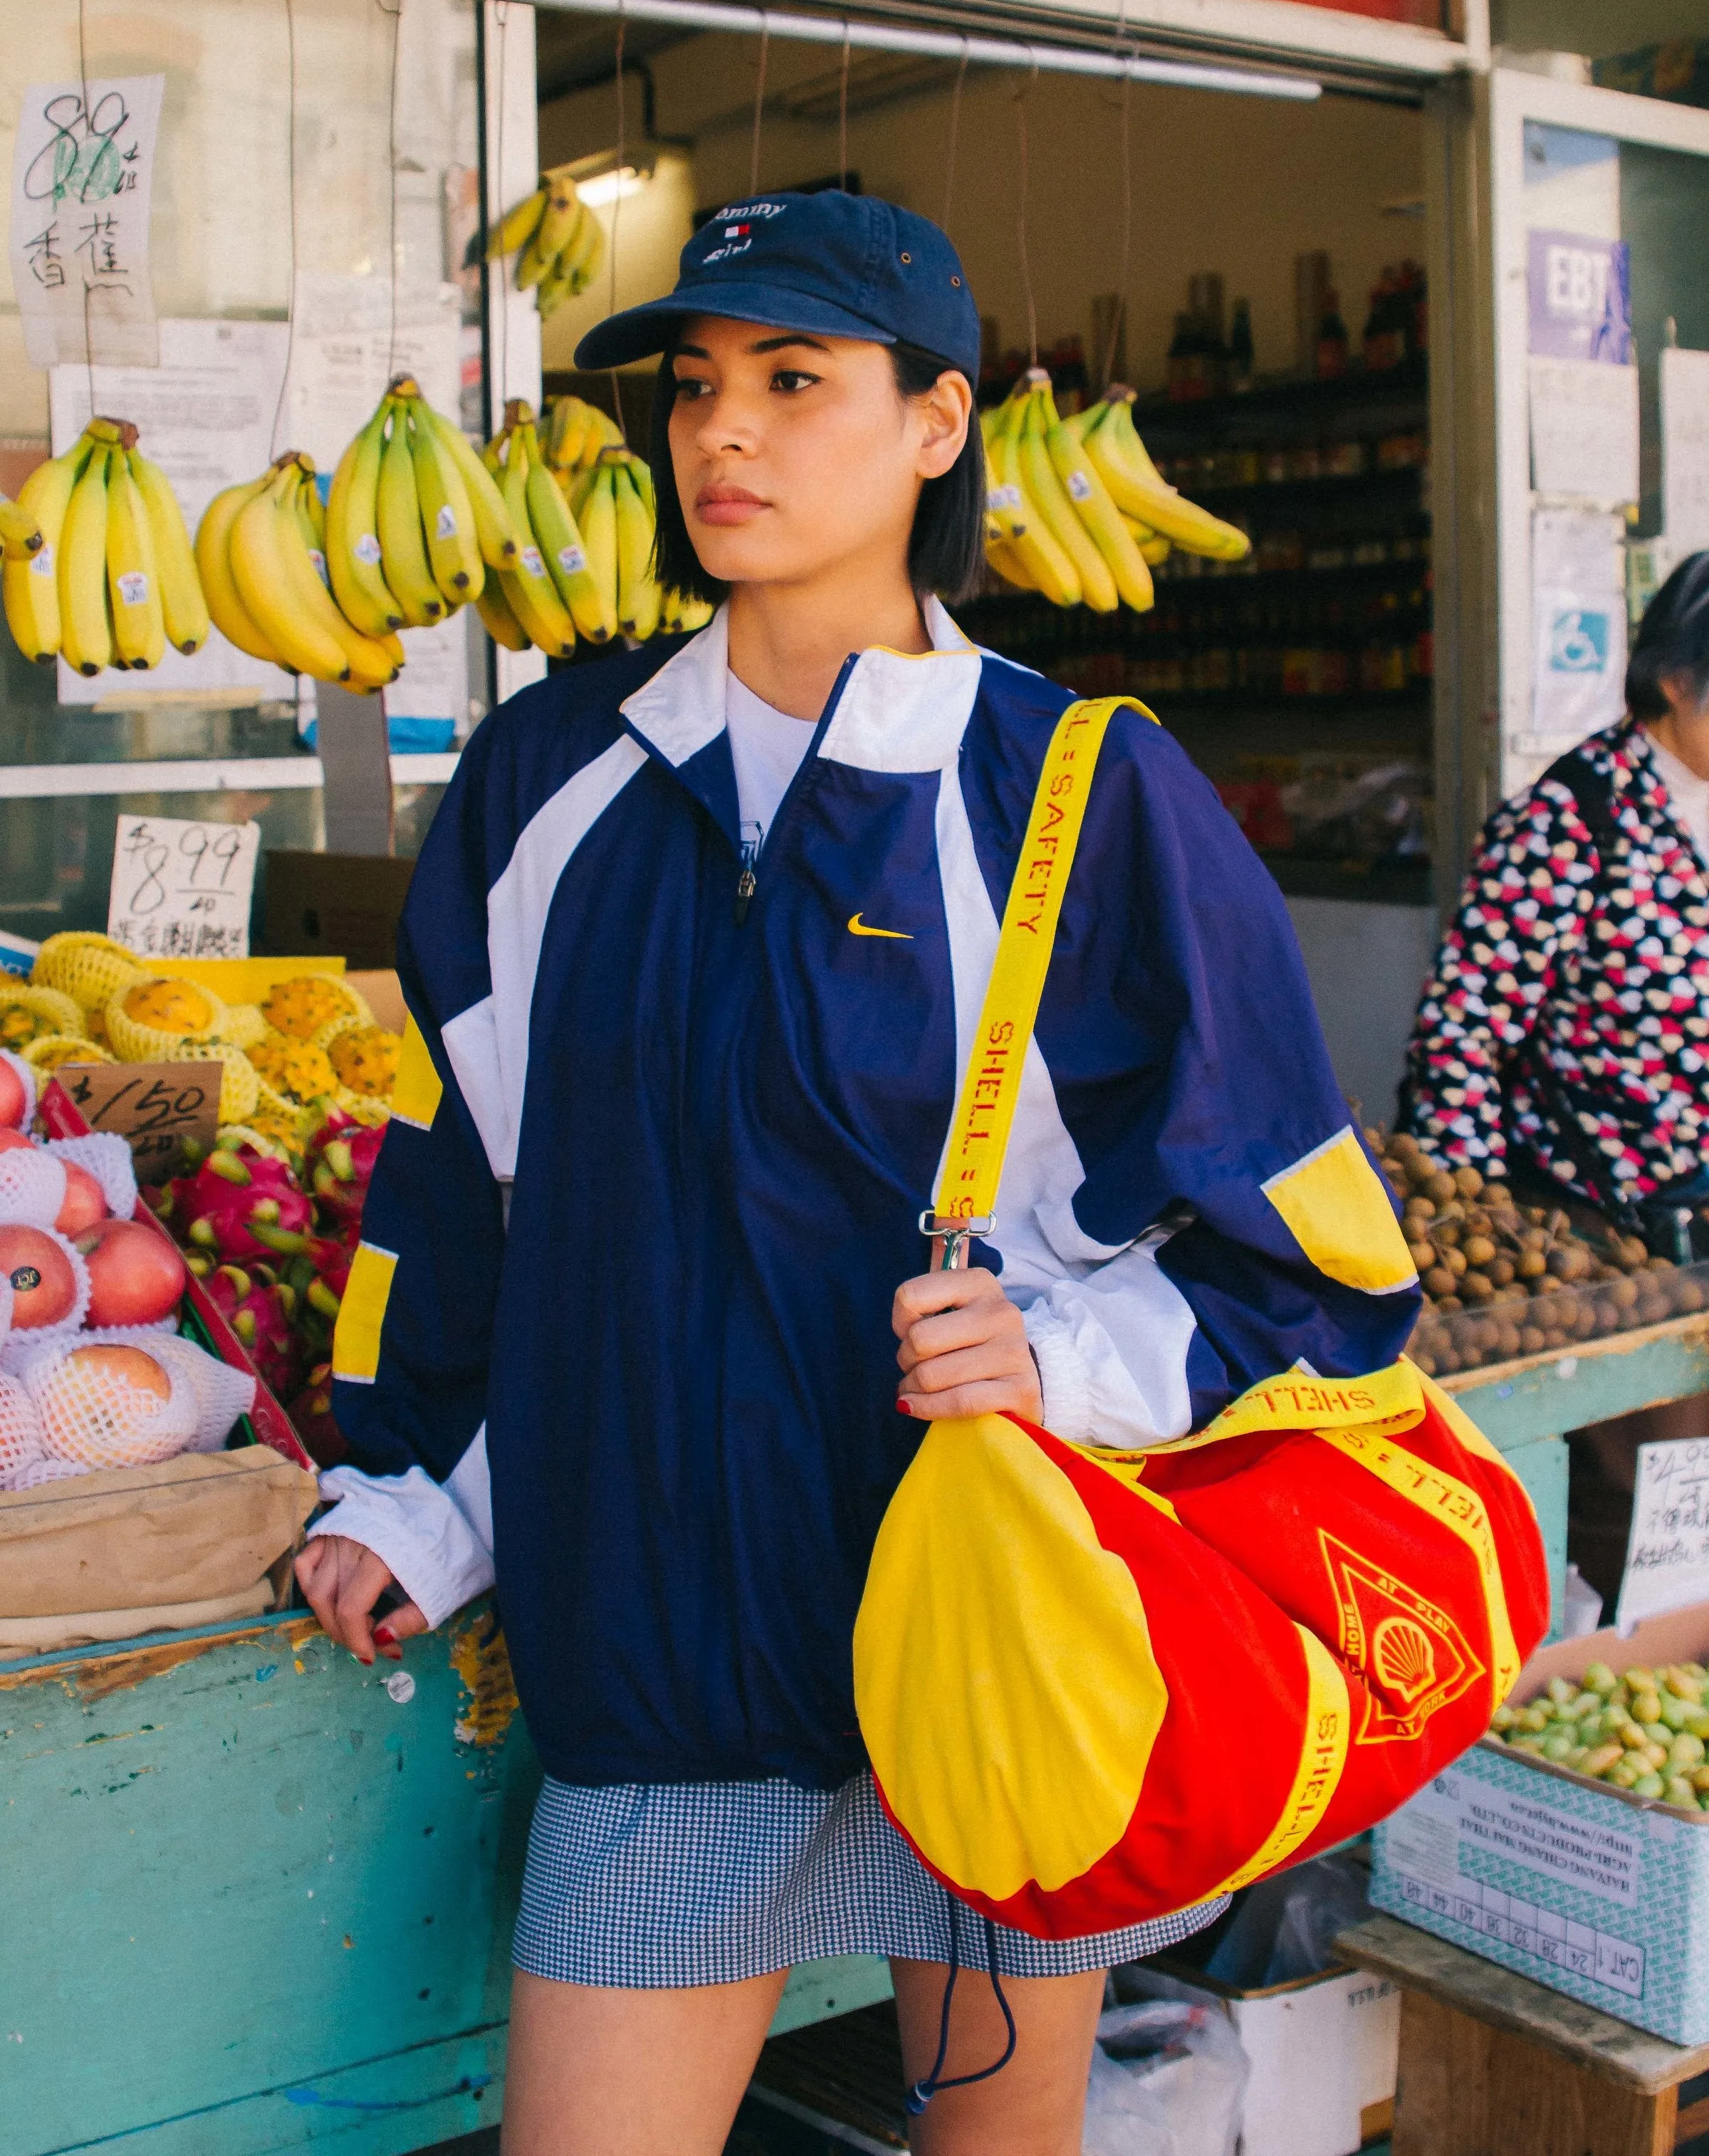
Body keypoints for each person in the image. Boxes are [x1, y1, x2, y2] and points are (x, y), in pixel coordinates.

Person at [296, 190, 1419, 2156]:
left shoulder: (1077, 791)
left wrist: (1057, 1357)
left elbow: (1302, 1246)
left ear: (936, 423)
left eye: (796, 382)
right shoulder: (544, 786)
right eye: (696, 389)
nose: (722, 433)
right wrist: (412, 1497)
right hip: (659, 1665)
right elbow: (464, 1199)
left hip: (985, 1641)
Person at [1401, 551, 1709, 1249]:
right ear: (1676, 681)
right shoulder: (1573, 819)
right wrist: (1481, 1232)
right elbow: (1462, 1035)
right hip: (1606, 1229)